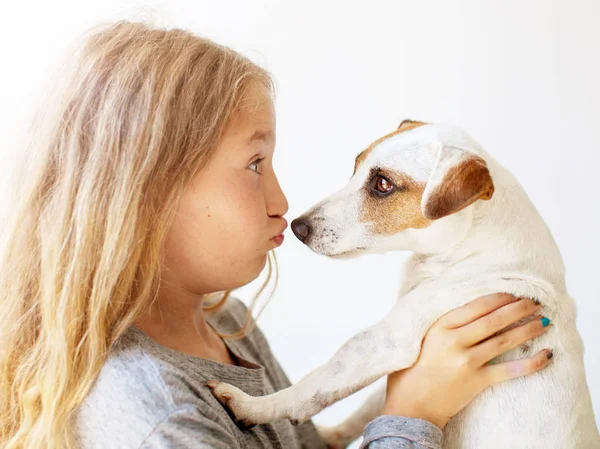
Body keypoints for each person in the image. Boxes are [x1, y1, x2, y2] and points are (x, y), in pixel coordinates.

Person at [0, 21, 553, 449]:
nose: (284, 203)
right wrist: (411, 418)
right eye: (255, 164)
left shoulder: (225, 324)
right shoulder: (157, 416)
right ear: (147, 194)